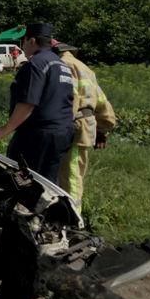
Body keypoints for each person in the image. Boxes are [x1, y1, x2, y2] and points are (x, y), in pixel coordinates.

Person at [0, 22, 74, 183]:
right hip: (63, 133)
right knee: (48, 183)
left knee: (19, 180)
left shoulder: (36, 64)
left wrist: (6, 129)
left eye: (23, 41)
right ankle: (45, 208)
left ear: (32, 41)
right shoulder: (60, 64)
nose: (22, 47)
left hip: (38, 135)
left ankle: (20, 208)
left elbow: (28, 103)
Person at [52, 40, 117, 213]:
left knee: (70, 178)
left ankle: (72, 219)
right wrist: (103, 129)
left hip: (72, 129)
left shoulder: (62, 65)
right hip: (85, 128)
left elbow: (68, 100)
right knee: (74, 175)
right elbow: (102, 103)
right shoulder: (86, 69)